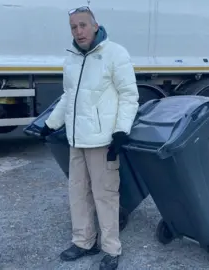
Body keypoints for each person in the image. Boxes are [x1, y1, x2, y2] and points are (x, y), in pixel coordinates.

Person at [41, 6, 139, 270]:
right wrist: (50, 124)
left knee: (105, 196)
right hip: (76, 140)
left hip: (102, 141)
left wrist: (121, 131)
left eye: (83, 25)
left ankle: (111, 249)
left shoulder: (115, 54)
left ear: (95, 26)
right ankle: (84, 242)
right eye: (73, 27)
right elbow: (68, 96)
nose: (78, 31)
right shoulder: (72, 57)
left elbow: (129, 95)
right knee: (78, 194)